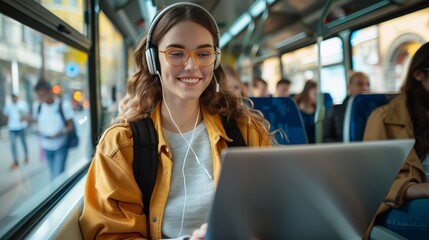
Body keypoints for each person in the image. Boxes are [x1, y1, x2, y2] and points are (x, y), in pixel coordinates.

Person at [79, 2, 272, 240]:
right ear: (153, 60)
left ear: (215, 59)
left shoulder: (245, 130)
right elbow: (112, 235)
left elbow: (273, 212)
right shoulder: (121, 146)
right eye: (176, 53)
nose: (192, 66)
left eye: (203, 54)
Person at [363, 42, 429, 239]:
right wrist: (423, 189)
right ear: (419, 74)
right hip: (397, 204)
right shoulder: (383, 118)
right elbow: (371, 184)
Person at [32, 80, 75, 178]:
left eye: (43, 95)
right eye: (39, 96)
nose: (41, 98)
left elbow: (70, 127)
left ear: (50, 91)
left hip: (60, 146)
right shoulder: (37, 106)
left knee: (58, 175)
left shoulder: (63, 105)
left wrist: (61, 132)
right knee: (53, 174)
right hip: (46, 146)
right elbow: (36, 121)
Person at [323, 71, 370, 142]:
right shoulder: (334, 110)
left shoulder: (375, 111)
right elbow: (326, 139)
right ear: (349, 87)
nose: (365, 88)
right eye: (359, 84)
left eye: (368, 84)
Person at [2, 94, 29, 169]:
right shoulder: (8, 106)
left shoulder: (22, 104)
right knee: (13, 144)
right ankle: (15, 160)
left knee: (23, 142)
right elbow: (5, 114)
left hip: (21, 127)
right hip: (12, 127)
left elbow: (26, 114)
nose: (14, 99)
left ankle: (26, 156)